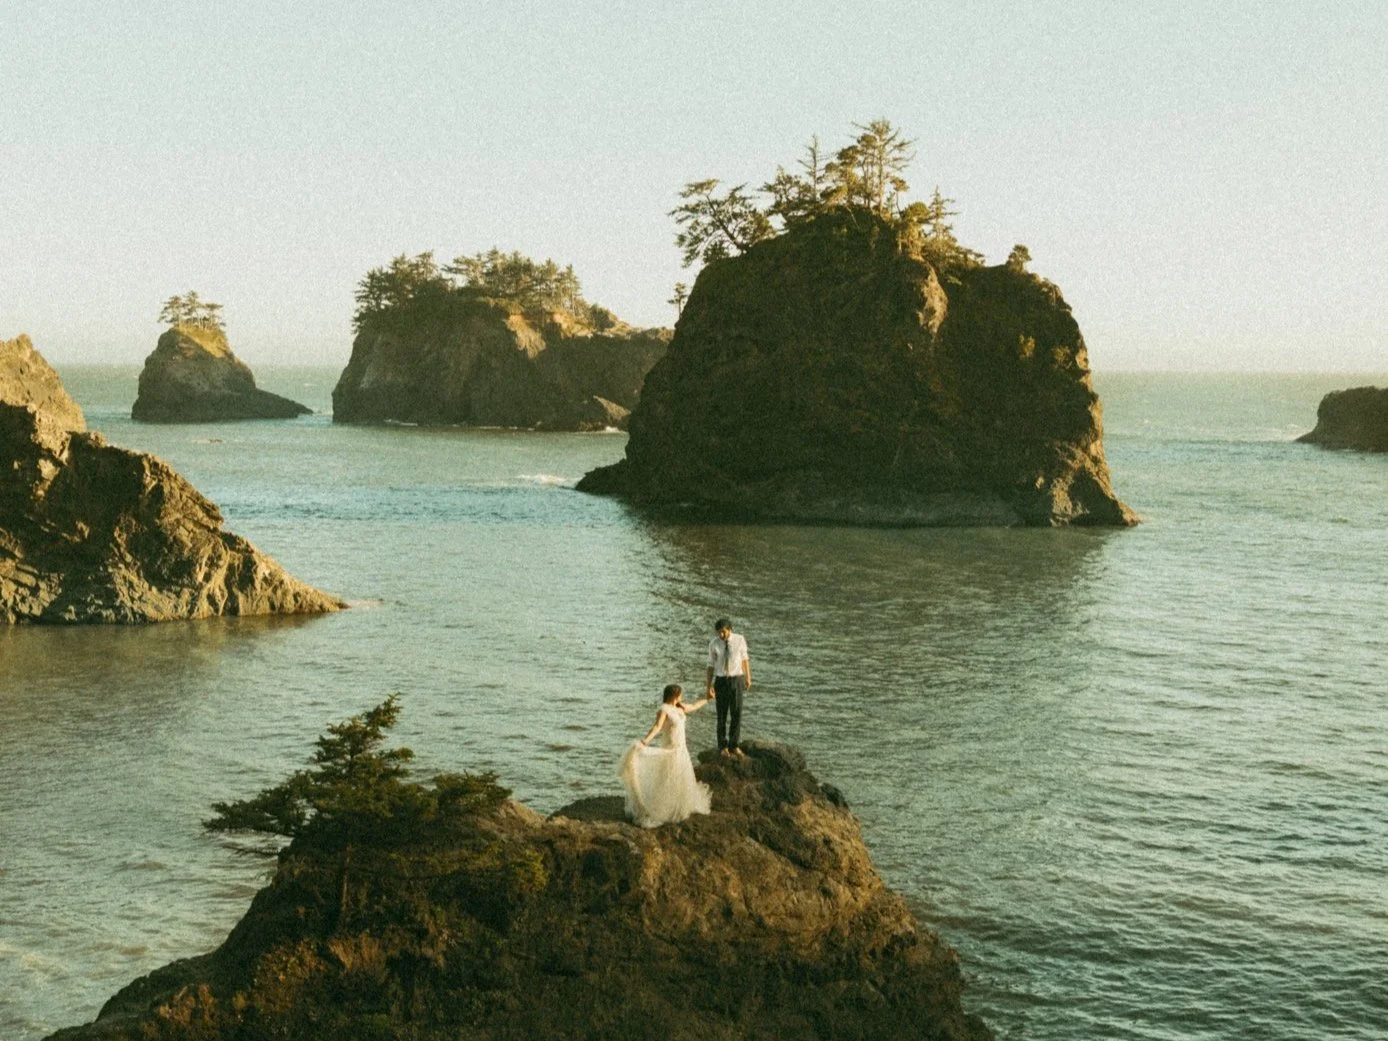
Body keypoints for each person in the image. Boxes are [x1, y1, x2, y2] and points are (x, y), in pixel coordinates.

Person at [619, 684, 714, 828]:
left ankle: (679, 805)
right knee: (668, 778)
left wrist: (708, 699)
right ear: (674, 695)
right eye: (680, 694)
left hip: (682, 750)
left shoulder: (680, 708)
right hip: (671, 749)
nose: (682, 697)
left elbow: (694, 706)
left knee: (681, 779)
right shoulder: (664, 709)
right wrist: (645, 740)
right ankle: (664, 808)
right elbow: (657, 727)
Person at [705, 617, 751, 758]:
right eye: (719, 632)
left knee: (736, 713)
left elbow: (745, 659)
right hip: (721, 681)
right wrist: (708, 686)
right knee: (721, 715)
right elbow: (710, 665)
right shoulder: (714, 643)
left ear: (730, 629)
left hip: (736, 679)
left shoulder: (739, 640)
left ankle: (734, 744)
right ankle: (722, 746)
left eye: (723, 632)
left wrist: (748, 678)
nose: (721, 635)